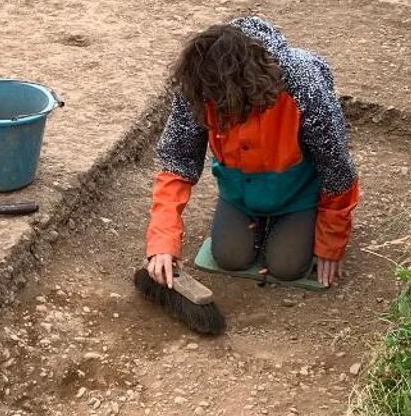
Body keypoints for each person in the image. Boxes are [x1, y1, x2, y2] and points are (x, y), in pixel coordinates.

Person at [144, 18, 362, 290]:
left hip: (298, 191)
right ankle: (255, 222)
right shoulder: (198, 84)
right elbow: (177, 164)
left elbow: (337, 170)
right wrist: (162, 243)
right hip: (239, 191)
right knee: (229, 257)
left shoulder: (302, 82)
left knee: (287, 267)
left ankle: (293, 222)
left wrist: (330, 242)